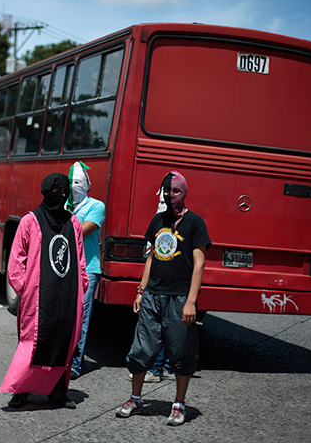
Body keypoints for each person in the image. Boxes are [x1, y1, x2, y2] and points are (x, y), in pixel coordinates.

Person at [116, 170, 211, 426]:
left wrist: (191, 301)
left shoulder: (195, 223)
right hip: (152, 296)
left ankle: (179, 404)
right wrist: (140, 290)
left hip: (180, 298)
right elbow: (151, 258)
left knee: (181, 352)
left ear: (185, 192)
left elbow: (199, 263)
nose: (170, 196)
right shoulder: (158, 221)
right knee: (142, 348)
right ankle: (135, 398)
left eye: (175, 191)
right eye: (167, 191)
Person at [0, 173, 89, 409]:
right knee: (32, 343)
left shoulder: (74, 223)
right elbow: (16, 258)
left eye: (64, 192)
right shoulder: (30, 221)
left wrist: (81, 288)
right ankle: (21, 390)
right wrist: (24, 289)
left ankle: (57, 392)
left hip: (67, 295)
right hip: (37, 296)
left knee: (63, 342)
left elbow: (80, 260)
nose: (60, 197)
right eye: (56, 193)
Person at [66, 162, 106, 380]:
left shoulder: (96, 206)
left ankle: (75, 363)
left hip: (87, 269)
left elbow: (79, 231)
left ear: (88, 185)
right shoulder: (64, 205)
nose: (74, 186)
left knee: (81, 316)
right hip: (64, 269)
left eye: (78, 182)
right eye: (71, 182)